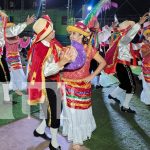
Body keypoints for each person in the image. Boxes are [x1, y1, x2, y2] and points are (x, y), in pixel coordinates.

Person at [27, 16, 76, 150]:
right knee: (55, 111)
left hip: (54, 81)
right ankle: (54, 142)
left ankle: (40, 130)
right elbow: (45, 71)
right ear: (45, 34)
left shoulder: (52, 42)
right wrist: (62, 62)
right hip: (46, 84)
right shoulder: (39, 49)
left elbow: (60, 51)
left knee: (53, 110)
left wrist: (68, 52)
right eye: (52, 30)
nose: (54, 32)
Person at [61, 21, 106, 150]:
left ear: (82, 36)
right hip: (67, 85)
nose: (71, 36)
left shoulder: (90, 50)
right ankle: (75, 138)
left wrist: (92, 76)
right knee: (71, 112)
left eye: (74, 34)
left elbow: (103, 62)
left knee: (81, 111)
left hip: (82, 86)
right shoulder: (67, 49)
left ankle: (80, 134)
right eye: (71, 34)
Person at [106, 13, 148, 113]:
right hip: (123, 65)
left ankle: (112, 95)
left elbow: (133, 47)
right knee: (132, 86)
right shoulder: (123, 39)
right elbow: (129, 36)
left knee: (125, 84)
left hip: (121, 66)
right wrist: (139, 24)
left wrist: (142, 43)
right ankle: (125, 106)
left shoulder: (122, 41)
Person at [0, 10, 35, 104]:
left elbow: (23, 44)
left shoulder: (13, 37)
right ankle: (7, 95)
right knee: (10, 75)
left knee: (16, 74)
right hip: (8, 59)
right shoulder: (5, 37)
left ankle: (15, 90)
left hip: (16, 58)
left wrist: (25, 39)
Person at [5, 22, 27, 95]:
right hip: (10, 56)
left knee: (17, 72)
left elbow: (21, 46)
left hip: (16, 56)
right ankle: (12, 88)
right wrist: (19, 40)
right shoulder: (5, 37)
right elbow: (9, 42)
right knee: (12, 73)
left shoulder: (17, 37)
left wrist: (23, 41)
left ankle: (16, 88)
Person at [140, 23, 150, 105]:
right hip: (147, 67)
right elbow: (143, 55)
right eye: (148, 35)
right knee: (147, 85)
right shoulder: (144, 45)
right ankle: (147, 99)